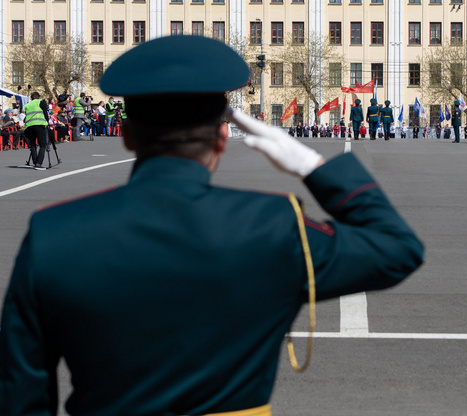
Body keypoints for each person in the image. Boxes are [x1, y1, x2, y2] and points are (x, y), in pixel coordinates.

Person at [0, 35, 424, 416]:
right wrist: (312, 166)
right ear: (221, 137)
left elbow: (20, 394)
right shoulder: (273, 225)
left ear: (127, 136)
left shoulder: (54, 233)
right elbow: (397, 248)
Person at [22, 91, 49, 170]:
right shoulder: (41, 102)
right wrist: (47, 122)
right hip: (39, 124)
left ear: (31, 98)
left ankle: (35, 162)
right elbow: (45, 113)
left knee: (33, 145)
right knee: (42, 145)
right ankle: (39, 163)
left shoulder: (28, 105)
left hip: (29, 126)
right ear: (39, 97)